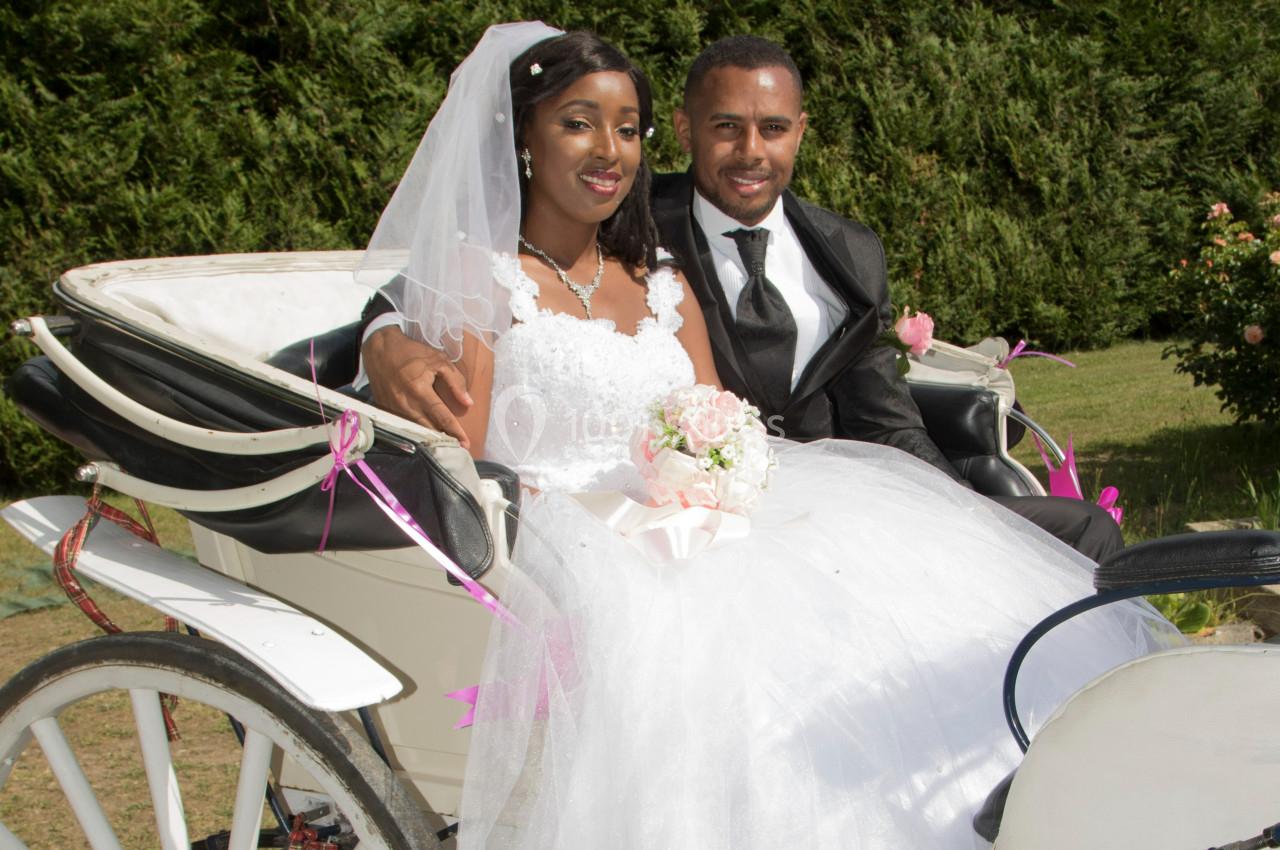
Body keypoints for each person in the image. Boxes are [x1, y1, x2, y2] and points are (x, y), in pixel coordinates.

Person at [358, 23, 1178, 849]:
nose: (609, 149)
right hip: (568, 531)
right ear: (522, 136)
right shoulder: (492, 272)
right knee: (728, 652)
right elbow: (454, 450)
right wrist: (382, 330)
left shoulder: (660, 275)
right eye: (577, 122)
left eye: (625, 128)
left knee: (892, 608)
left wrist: (739, 471)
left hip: (727, 501)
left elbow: (729, 410)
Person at [357, 35, 1124, 563]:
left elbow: (884, 417)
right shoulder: (634, 223)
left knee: (1078, 534)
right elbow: (438, 297)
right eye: (726, 128)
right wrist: (383, 330)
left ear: (799, 133)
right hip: (609, 538)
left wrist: (960, 515)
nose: (750, 152)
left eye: (773, 128)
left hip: (802, 496)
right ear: (687, 131)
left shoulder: (841, 252)